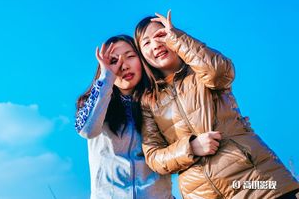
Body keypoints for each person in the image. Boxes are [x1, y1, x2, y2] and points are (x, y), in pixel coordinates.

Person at [134, 10, 299, 199]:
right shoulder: (149, 101)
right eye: (146, 42)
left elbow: (220, 72)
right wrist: (191, 148)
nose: (155, 44)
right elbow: (154, 157)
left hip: (256, 184)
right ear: (142, 55)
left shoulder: (200, 70)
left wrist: (178, 38)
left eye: (161, 35)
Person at [75, 35, 173, 199]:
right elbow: (87, 130)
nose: (124, 66)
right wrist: (106, 79)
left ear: (142, 60)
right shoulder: (95, 101)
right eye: (114, 61)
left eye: (130, 56)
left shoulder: (162, 101)